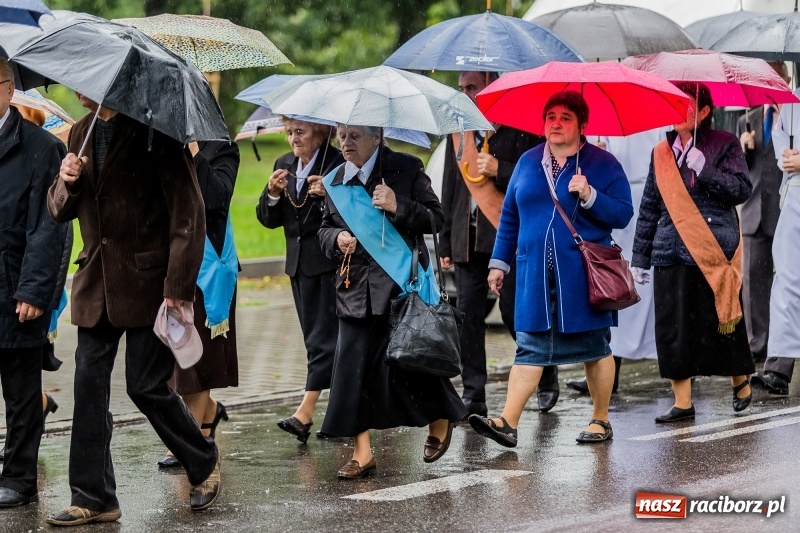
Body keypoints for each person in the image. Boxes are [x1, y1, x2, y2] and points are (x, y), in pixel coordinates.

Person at [46, 93, 220, 525]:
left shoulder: (156, 134)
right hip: (96, 284)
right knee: (88, 389)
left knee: (146, 386)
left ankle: (202, 461)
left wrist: (178, 287)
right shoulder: (80, 134)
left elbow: (189, 215)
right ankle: (94, 497)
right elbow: (58, 210)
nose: (82, 88)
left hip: (150, 286)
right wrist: (65, 181)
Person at [469, 90, 633, 447]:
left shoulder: (602, 164)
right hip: (533, 277)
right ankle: (507, 423)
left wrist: (590, 195)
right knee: (530, 346)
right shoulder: (528, 162)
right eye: (551, 117)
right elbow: (510, 217)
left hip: (582, 277)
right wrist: (499, 263)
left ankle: (600, 419)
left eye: (565, 117)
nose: (555, 123)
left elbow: (623, 213)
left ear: (581, 125)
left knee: (596, 347)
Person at [317, 124, 466, 478]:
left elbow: (436, 219)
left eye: (355, 135)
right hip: (354, 289)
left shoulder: (407, 167)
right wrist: (336, 237)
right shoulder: (334, 181)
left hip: (400, 286)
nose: (346, 142)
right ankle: (362, 452)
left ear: (377, 137)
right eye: (342, 134)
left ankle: (440, 418)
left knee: (408, 363)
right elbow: (322, 230)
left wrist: (399, 205)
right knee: (352, 370)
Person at [631, 82, 754, 423]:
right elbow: (650, 207)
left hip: (713, 247)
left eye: (683, 106)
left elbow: (741, 189)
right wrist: (640, 258)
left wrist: (706, 170)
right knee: (674, 327)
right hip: (670, 249)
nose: (674, 113)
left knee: (721, 321)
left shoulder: (724, 144)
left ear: (703, 112)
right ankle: (682, 401)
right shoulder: (661, 151)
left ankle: (740, 381)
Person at [440, 70, 558, 418]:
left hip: (506, 239)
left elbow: (539, 178)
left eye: (472, 87)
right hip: (467, 239)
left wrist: (500, 169)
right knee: (469, 317)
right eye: (461, 88)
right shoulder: (459, 133)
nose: (465, 94)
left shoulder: (520, 126)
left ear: (491, 85)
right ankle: (474, 394)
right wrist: (446, 239)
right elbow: (450, 186)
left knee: (514, 314)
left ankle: (544, 371)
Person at [0, 58, 67, 508]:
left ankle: (19, 477)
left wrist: (35, 291)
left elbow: (50, 226)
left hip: (15, 287)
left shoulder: (42, 148)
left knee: (22, 391)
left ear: (7, 89)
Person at [257, 118, 344, 442]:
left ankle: (304, 414)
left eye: (300, 132)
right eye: (290, 132)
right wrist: (273, 194)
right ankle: (343, 409)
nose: (293, 138)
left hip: (328, 263)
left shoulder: (336, 163)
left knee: (322, 339)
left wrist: (329, 194)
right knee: (316, 338)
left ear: (320, 132)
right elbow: (267, 219)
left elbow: (349, 214)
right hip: (297, 266)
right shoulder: (284, 164)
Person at [157, 139, 241, 468]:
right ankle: (207, 414)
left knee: (201, 358)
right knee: (178, 359)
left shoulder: (221, 149)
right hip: (172, 266)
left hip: (210, 269)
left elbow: (215, 198)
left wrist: (194, 151)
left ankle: (191, 437)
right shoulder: (163, 147)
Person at [565, 128, 668, 394]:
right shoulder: (608, 118)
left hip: (652, 197)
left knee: (654, 290)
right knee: (614, 283)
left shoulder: (656, 119)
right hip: (614, 199)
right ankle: (606, 374)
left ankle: (674, 369)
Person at [737, 62, 790, 393]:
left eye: (775, 79)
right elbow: (740, 177)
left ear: (785, 80)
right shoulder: (748, 119)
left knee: (785, 288)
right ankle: (757, 349)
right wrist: (743, 148)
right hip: (754, 214)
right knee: (753, 287)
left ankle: (781, 359)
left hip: (785, 212)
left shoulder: (794, 116)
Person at [766, 83, 800, 395]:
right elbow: (781, 146)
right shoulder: (791, 100)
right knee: (787, 278)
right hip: (794, 197)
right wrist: (787, 158)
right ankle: (778, 367)